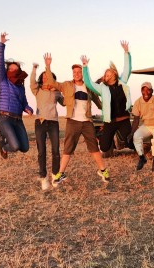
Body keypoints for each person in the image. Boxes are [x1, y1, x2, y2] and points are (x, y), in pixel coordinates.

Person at [44, 54, 109, 184]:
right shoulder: (67, 85)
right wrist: (48, 66)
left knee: (94, 148)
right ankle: (60, 174)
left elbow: (98, 101)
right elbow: (51, 82)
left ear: (82, 73)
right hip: (73, 121)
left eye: (79, 72)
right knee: (68, 148)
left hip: (87, 122)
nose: (77, 74)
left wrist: (107, 111)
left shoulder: (89, 87)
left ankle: (103, 171)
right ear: (72, 74)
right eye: (75, 72)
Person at [82, 40, 133, 174]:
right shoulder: (102, 88)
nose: (106, 75)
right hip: (110, 122)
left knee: (130, 142)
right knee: (104, 147)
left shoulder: (122, 82)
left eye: (108, 73)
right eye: (105, 74)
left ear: (114, 74)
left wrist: (126, 52)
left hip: (124, 119)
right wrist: (85, 67)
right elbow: (89, 83)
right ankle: (104, 141)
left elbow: (127, 69)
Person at [0, 32, 33, 159]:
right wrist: (1, 45)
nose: (12, 70)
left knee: (25, 148)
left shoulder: (21, 86)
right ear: (6, 71)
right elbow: (0, 63)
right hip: (5, 118)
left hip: (18, 119)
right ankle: (4, 146)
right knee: (15, 147)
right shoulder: (3, 80)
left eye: (15, 69)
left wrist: (28, 109)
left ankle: (7, 143)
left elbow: (24, 103)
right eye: (10, 69)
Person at [30, 59, 64, 190]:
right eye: (43, 77)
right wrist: (34, 68)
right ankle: (43, 178)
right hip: (40, 121)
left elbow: (65, 102)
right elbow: (32, 82)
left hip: (53, 122)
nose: (45, 79)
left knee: (55, 150)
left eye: (47, 76)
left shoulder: (56, 92)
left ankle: (55, 175)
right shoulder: (37, 90)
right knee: (41, 151)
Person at [127, 82, 154, 172]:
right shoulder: (138, 102)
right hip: (146, 125)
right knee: (136, 136)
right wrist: (132, 133)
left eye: (148, 90)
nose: (146, 92)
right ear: (141, 91)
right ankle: (142, 158)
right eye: (143, 90)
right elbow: (136, 119)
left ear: (152, 91)